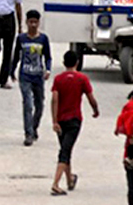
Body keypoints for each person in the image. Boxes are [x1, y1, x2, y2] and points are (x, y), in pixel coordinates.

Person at [50, 50, 100, 196]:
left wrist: (54, 121)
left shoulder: (58, 79)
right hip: (74, 120)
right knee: (65, 151)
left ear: (64, 63)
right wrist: (95, 110)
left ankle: (70, 179)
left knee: (66, 149)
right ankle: (56, 183)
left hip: (61, 120)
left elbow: (54, 100)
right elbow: (91, 98)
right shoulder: (82, 79)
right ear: (77, 63)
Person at [11, 10, 52, 146]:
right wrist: (11, 71)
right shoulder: (21, 39)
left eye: (35, 22)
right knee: (27, 104)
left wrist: (48, 70)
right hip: (25, 75)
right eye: (31, 22)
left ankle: (34, 127)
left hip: (38, 76)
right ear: (26, 22)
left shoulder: (43, 39)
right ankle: (28, 133)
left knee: (39, 105)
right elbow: (16, 56)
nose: (33, 25)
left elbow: (48, 57)